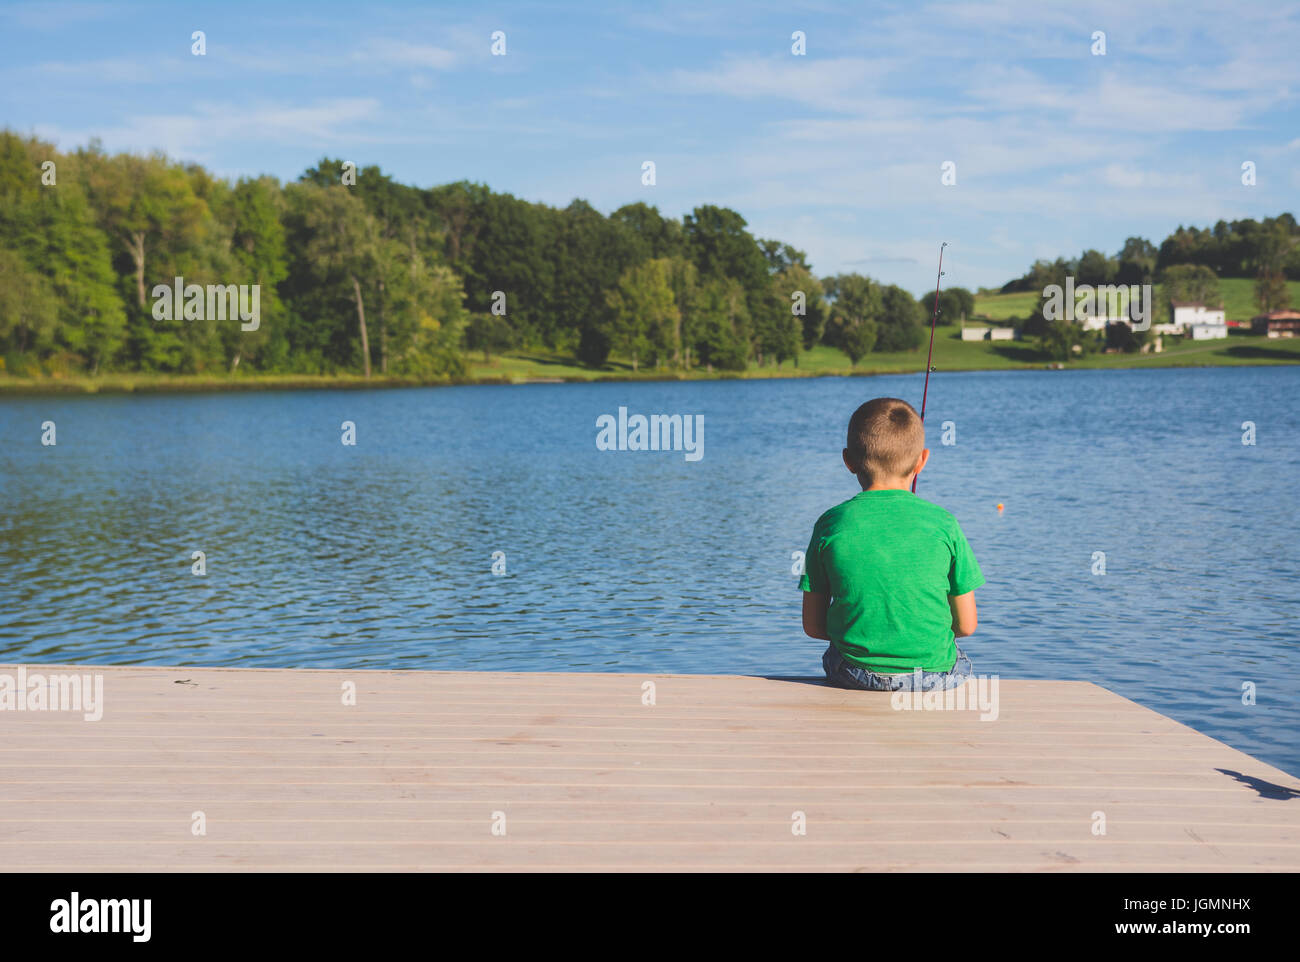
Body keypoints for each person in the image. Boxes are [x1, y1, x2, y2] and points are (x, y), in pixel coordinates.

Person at [799, 397, 984, 691]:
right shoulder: (945, 523)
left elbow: (813, 626)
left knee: (838, 656)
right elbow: (966, 625)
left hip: (854, 673)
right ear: (922, 460)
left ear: (848, 461)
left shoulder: (830, 524)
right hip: (934, 677)